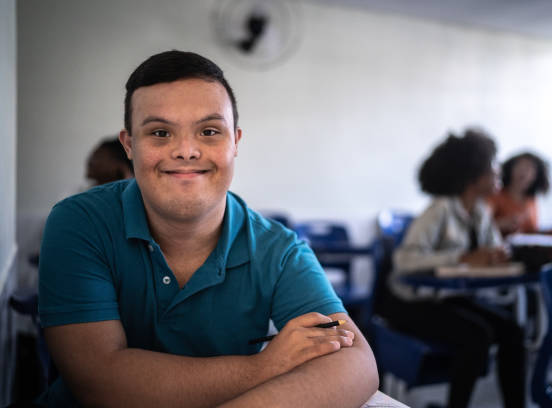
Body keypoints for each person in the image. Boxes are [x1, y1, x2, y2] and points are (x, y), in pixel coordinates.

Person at [38, 50, 378, 407]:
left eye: (210, 131)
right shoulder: (79, 222)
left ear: (235, 143)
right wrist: (263, 367)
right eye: (160, 132)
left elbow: (356, 362)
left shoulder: (279, 250)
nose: (186, 150)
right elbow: (99, 381)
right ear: (129, 145)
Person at [382, 129, 526, 408]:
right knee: (476, 335)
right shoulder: (440, 209)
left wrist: (498, 256)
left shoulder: (480, 211)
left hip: (448, 298)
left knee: (513, 331)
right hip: (409, 303)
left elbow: (488, 251)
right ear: (474, 175)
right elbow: (405, 260)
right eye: (493, 165)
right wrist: (462, 257)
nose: (499, 171)